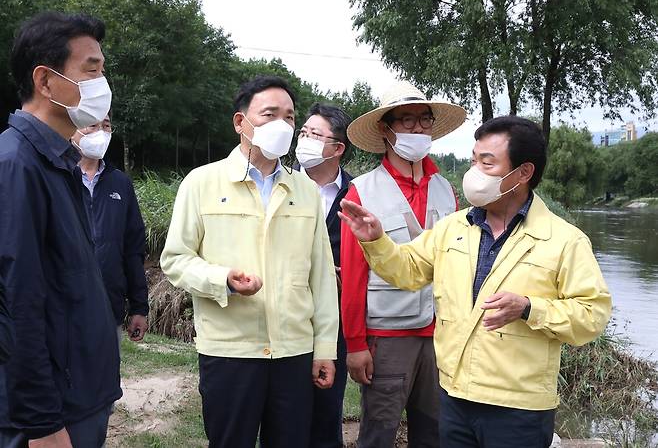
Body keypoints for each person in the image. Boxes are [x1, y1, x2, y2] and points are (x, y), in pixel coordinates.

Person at [339, 115, 612, 448]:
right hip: (455, 397)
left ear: (523, 173)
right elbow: (408, 271)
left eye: (487, 162)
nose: (474, 172)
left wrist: (530, 308)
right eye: (473, 160)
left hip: (518, 407)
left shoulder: (564, 240)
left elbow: (592, 315)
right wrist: (377, 241)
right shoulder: (454, 228)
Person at [160, 76, 339, 448]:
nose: (282, 125)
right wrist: (223, 278)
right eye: (270, 114)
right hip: (230, 351)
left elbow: (321, 277)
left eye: (289, 117)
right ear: (240, 122)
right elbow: (176, 259)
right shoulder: (202, 183)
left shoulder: (304, 190)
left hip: (293, 351)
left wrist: (324, 348)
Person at [0, 12, 121, 447]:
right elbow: (17, 305)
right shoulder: (16, 166)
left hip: (80, 396)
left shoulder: (58, 163)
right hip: (49, 415)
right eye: (91, 69)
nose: (102, 82)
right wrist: (42, 423)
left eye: (102, 70)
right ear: (45, 82)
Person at [340, 81, 466, 447]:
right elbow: (353, 275)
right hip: (387, 336)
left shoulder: (446, 189)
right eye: (406, 119)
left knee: (434, 433)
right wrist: (356, 343)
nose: (417, 128)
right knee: (378, 433)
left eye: (424, 120)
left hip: (438, 336)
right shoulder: (362, 191)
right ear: (386, 128)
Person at [294, 103, 352, 448]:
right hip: (289, 316)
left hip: (336, 319)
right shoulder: (280, 187)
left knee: (327, 407)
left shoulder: (357, 195)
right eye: (303, 132)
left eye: (315, 135)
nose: (305, 140)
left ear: (337, 148)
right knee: (285, 410)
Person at [73, 114, 149, 346]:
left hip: (109, 305)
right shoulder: (57, 177)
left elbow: (133, 249)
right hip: (62, 307)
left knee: (106, 379)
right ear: (72, 129)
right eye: (92, 125)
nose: (100, 132)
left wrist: (138, 307)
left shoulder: (120, 183)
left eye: (106, 126)